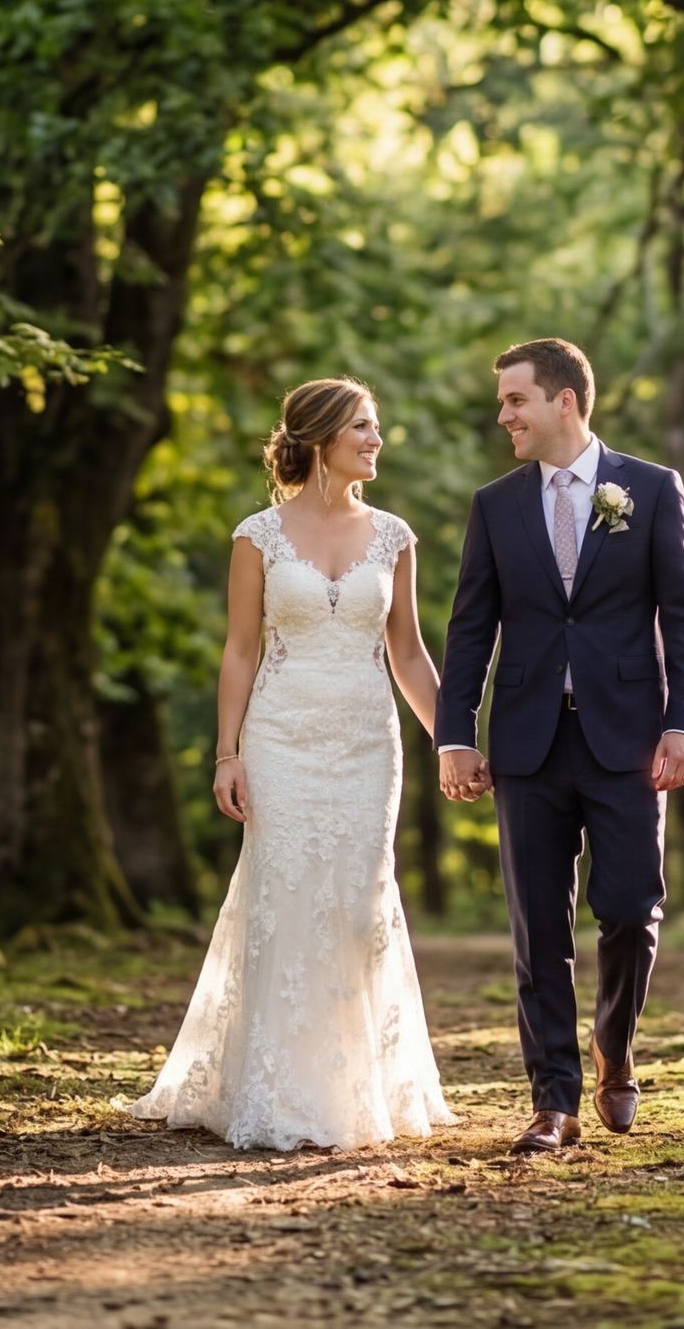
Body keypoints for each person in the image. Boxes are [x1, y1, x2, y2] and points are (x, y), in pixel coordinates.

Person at [128, 377, 458, 1150]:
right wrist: (227, 751)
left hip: (368, 743)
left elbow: (407, 652)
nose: (377, 440)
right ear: (320, 438)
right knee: (282, 892)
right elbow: (241, 649)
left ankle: (353, 1090)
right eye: (364, 428)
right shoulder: (258, 534)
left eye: (377, 427)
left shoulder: (395, 536)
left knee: (356, 903)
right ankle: (272, 1087)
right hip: (280, 739)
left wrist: (456, 739)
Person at [435, 337, 684, 1153]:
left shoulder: (652, 491)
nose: (503, 416)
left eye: (515, 400)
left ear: (564, 401)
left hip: (629, 738)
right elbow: (469, 628)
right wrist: (456, 734)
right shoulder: (495, 504)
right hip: (526, 743)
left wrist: (683, 721)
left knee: (630, 907)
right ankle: (551, 1097)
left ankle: (614, 1050)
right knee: (537, 928)